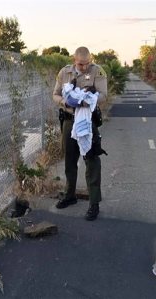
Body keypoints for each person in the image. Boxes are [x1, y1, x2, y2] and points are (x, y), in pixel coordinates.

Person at [53, 46, 107, 221]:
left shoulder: (97, 71)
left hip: (88, 121)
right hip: (69, 120)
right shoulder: (64, 72)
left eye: (87, 64)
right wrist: (66, 101)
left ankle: (94, 203)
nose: (84, 67)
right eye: (80, 64)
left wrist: (88, 98)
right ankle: (70, 195)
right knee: (69, 159)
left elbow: (104, 95)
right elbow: (55, 94)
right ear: (73, 60)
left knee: (91, 161)